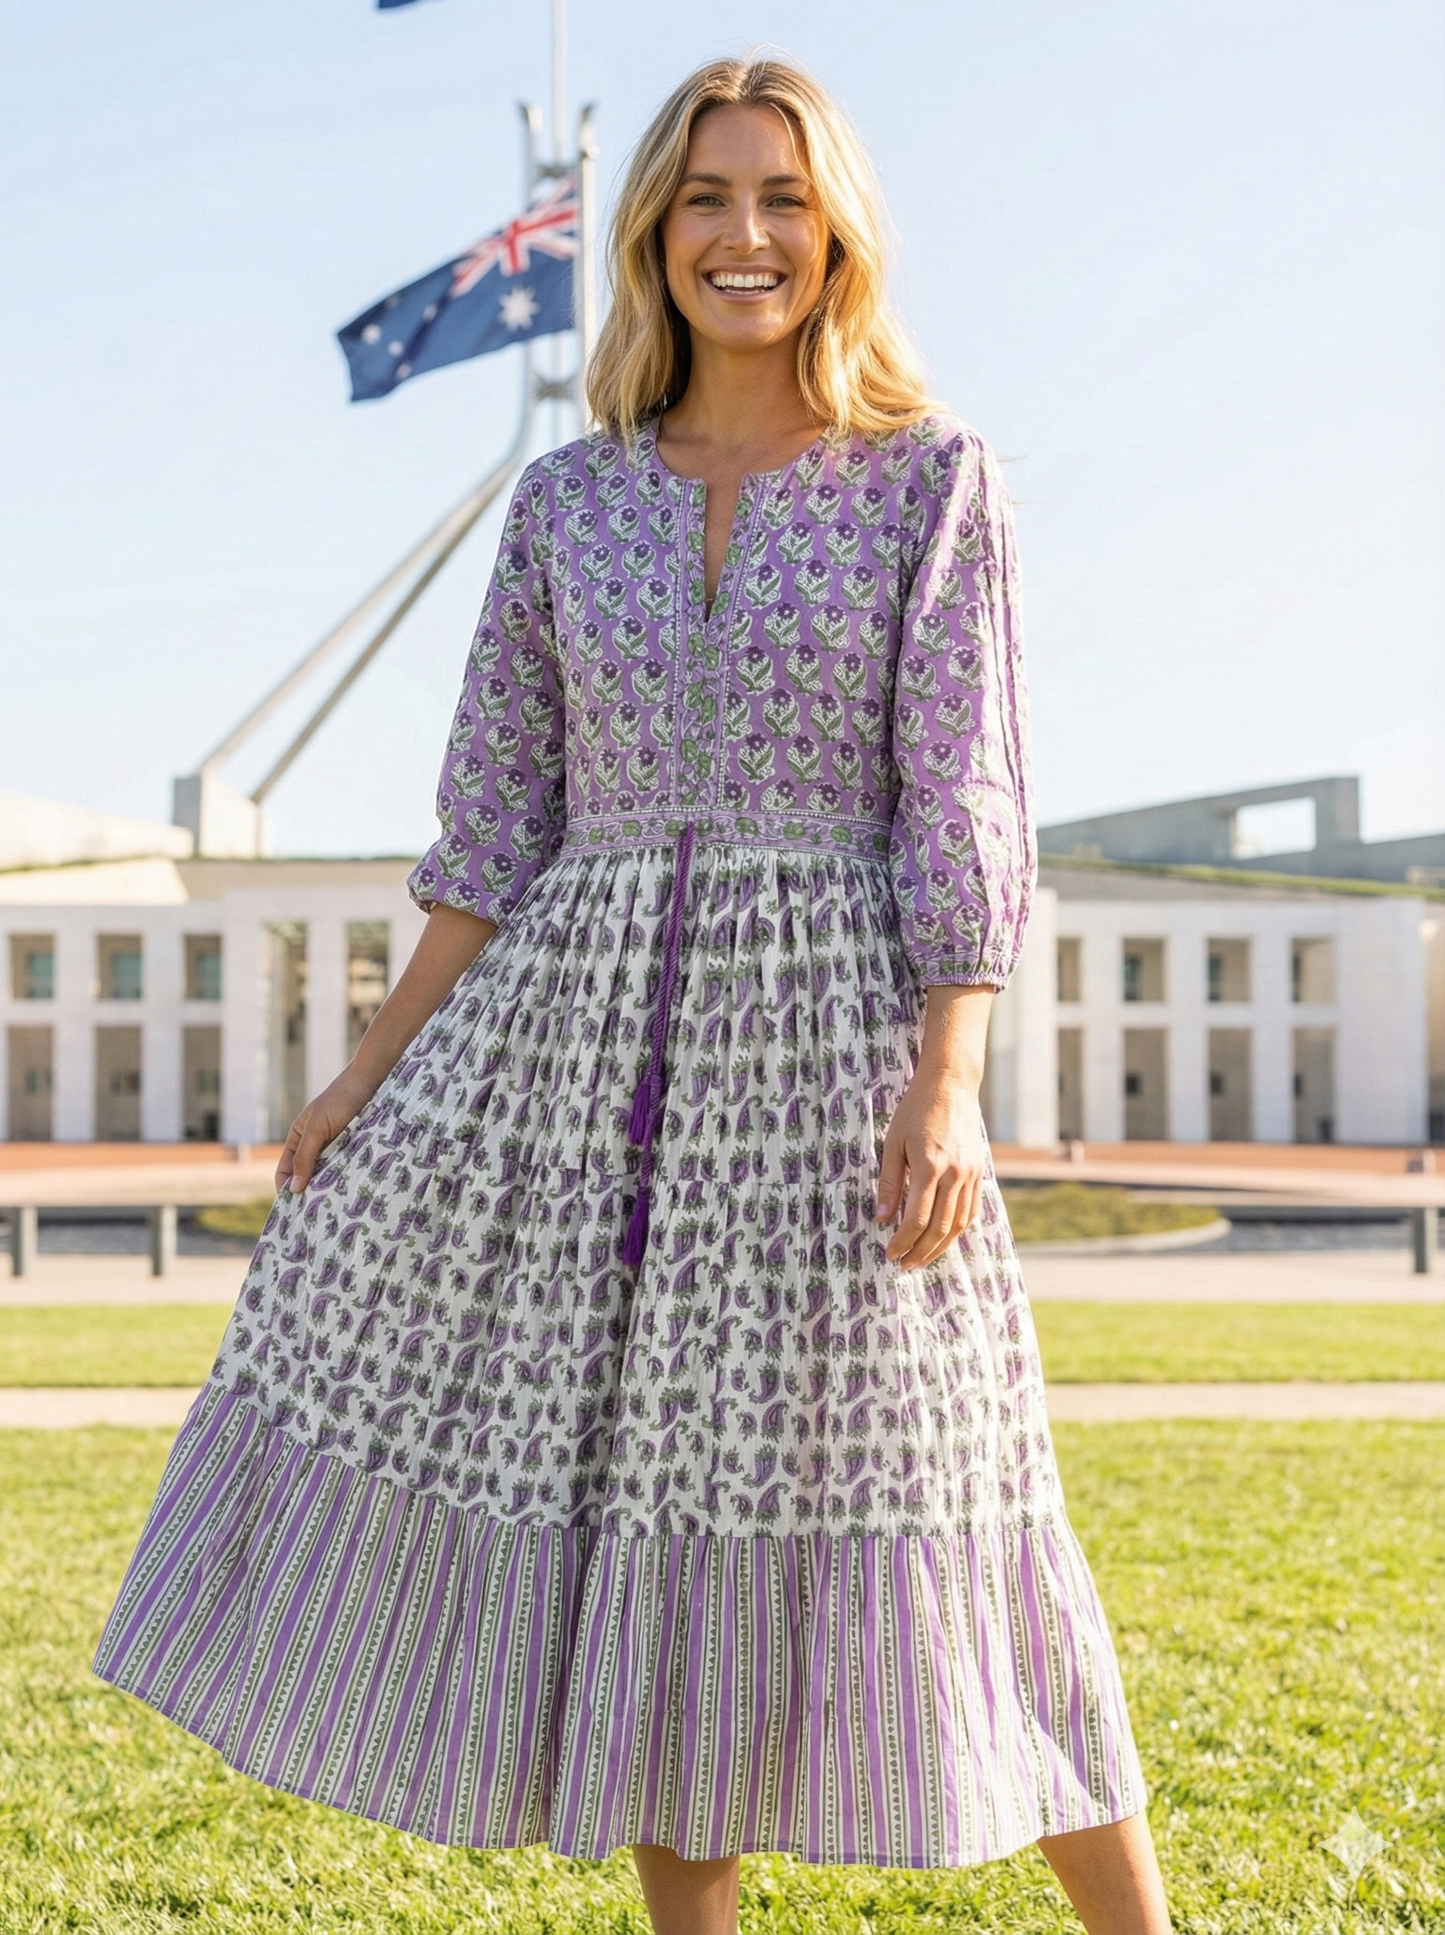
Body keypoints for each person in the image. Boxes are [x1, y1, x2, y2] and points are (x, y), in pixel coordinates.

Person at [94, 55, 1172, 1935]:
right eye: (704, 199)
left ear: (834, 232)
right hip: (582, 1074)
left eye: (778, 197)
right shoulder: (565, 507)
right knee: (648, 1546)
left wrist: (950, 1077)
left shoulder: (932, 478)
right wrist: (366, 1070)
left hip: (834, 1061)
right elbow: (493, 825)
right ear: (650, 235)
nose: (742, 236)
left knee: (972, 1499)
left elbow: (968, 791)